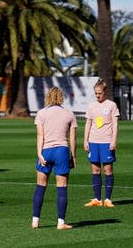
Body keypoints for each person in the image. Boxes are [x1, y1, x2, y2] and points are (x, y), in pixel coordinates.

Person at [31, 87, 76, 230]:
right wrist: (73, 156)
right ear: (61, 97)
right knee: (61, 188)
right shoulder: (69, 114)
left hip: (45, 151)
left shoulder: (41, 113)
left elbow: (40, 135)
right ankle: (61, 222)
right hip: (62, 151)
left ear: (48, 97)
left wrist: (39, 153)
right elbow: (72, 138)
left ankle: (35, 221)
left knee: (40, 186)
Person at [83, 79, 119, 208]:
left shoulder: (112, 105)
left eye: (100, 93)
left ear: (105, 92)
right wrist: (85, 140)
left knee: (107, 170)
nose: (98, 95)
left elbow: (115, 124)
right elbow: (88, 123)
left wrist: (113, 141)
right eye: (96, 93)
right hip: (93, 141)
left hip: (106, 141)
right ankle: (97, 199)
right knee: (95, 170)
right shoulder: (91, 106)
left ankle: (108, 199)